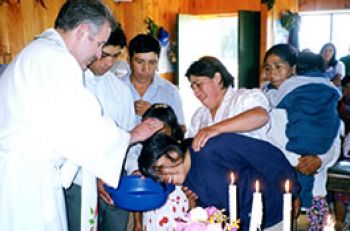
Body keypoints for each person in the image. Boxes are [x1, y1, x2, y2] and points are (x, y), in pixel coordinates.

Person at [0, 1, 163, 231]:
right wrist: (131, 136)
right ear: (83, 31)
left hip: (20, 176)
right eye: (99, 44)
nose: (98, 54)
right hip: (26, 183)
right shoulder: (56, 60)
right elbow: (84, 126)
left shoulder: (38, 53)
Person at [138, 133, 299, 231]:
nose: (163, 178)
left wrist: (292, 192)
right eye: (157, 177)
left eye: (160, 169)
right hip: (243, 226)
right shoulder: (187, 182)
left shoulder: (211, 148)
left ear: (172, 152)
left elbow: (267, 156)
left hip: (275, 215)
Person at [64, 27, 135, 231]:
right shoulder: (72, 84)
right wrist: (93, 177)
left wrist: (133, 169)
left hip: (114, 181)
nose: (109, 63)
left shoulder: (121, 91)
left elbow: (129, 137)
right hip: (78, 181)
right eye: (104, 55)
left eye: (115, 56)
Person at [263, 44, 342, 230]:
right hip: (280, 187)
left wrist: (319, 160)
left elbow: (335, 142)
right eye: (267, 67)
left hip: (317, 189)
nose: (272, 73)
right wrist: (300, 161)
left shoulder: (313, 98)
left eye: (278, 66)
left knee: (315, 225)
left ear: (293, 68)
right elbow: (268, 142)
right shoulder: (264, 101)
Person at [184, 56, 270, 151]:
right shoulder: (199, 115)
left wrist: (215, 129)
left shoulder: (243, 98)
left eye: (199, 84)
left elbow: (261, 116)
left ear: (217, 78)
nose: (196, 92)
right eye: (192, 87)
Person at [134, 103, 196, 231]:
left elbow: (193, 196)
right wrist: (138, 223)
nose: (155, 135)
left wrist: (192, 207)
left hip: (179, 215)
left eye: (160, 130)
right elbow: (138, 195)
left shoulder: (183, 161)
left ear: (172, 129)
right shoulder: (147, 160)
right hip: (152, 218)